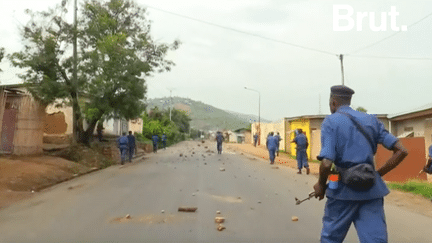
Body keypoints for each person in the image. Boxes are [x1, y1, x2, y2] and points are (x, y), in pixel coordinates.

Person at [313, 85, 408, 243]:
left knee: (330, 238)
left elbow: (326, 163)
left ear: (333, 103)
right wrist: (378, 174)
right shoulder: (371, 119)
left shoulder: (331, 122)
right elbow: (402, 151)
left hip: (341, 190)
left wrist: (321, 185)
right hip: (372, 189)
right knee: (375, 239)